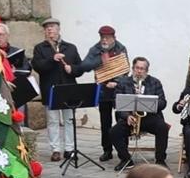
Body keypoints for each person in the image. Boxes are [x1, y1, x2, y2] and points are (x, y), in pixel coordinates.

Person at [31, 17, 83, 162]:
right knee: (53, 120)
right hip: (51, 90)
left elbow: (80, 68)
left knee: (69, 120)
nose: (50, 30)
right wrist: (52, 59)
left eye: (52, 27)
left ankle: (69, 149)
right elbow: (38, 66)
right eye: (47, 28)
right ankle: (55, 149)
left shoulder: (70, 47)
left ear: (59, 29)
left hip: (68, 89)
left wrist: (71, 69)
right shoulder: (40, 48)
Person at [79, 25, 128, 162]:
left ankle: (123, 151)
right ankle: (107, 150)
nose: (104, 40)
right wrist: (100, 60)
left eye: (107, 37)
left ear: (114, 38)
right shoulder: (95, 49)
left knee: (121, 120)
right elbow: (84, 66)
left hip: (119, 89)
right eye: (102, 37)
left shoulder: (120, 48)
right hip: (103, 90)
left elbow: (125, 69)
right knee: (105, 122)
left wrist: (117, 82)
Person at [111, 57, 169, 170]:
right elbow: (116, 103)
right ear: (133, 68)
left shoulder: (155, 82)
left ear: (147, 70)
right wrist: (126, 116)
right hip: (130, 118)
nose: (139, 71)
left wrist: (149, 103)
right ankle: (126, 159)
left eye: (142, 69)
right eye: (137, 68)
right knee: (114, 132)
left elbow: (163, 102)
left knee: (162, 127)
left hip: (149, 117)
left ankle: (160, 160)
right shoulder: (123, 82)